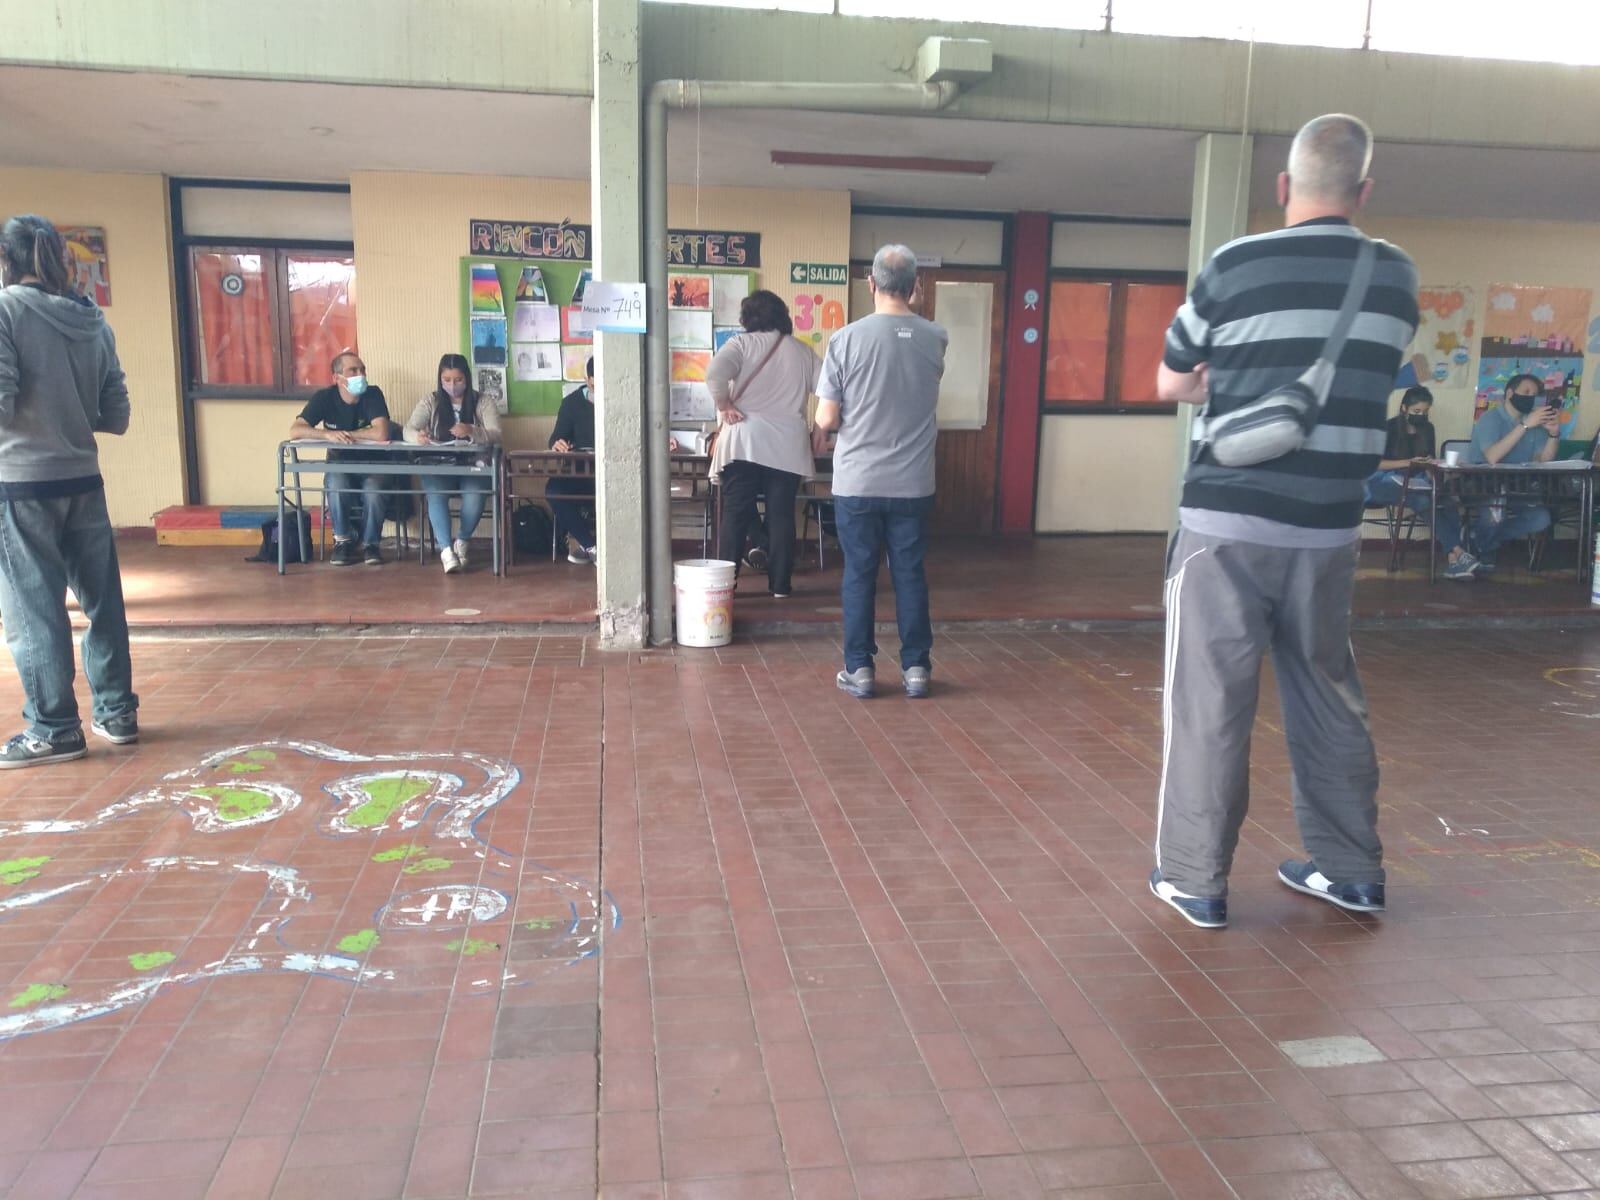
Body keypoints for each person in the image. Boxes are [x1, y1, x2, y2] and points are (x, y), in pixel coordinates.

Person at [1152, 114, 1420, 928]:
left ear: (1282, 187)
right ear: (1364, 190)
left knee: (1209, 701)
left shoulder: (1235, 264)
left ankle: (1196, 880)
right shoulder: (1395, 276)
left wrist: (1215, 387)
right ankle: (1350, 871)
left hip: (1226, 526)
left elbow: (1171, 380)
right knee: (1329, 695)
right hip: (1332, 529)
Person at [0, 214, 138, 766]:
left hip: (22, 484)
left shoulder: (6, 311)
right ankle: (117, 712)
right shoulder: (92, 320)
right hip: (84, 479)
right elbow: (117, 413)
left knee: (35, 611)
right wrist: (69, 412)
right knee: (103, 603)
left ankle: (55, 728)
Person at [813, 244, 947, 700]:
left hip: (858, 482)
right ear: (916, 287)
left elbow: (827, 418)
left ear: (870, 284)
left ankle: (860, 669)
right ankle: (916, 669)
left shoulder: (845, 339)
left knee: (859, 573)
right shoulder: (935, 337)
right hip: (913, 483)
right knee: (910, 572)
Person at [707, 290, 819, 598]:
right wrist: (821, 427)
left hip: (744, 439)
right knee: (782, 514)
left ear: (748, 318)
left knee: (735, 513)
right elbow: (830, 388)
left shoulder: (740, 344)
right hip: (788, 444)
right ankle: (780, 585)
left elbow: (714, 374)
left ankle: (724, 587)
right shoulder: (802, 351)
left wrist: (724, 404)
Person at [547, 358, 678, 565]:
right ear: (587, 380)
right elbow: (556, 437)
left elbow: (644, 431)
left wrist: (661, 439)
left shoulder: (626, 400)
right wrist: (557, 443)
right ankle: (592, 546)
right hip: (581, 474)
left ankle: (595, 548)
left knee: (643, 490)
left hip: (619, 473)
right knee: (554, 490)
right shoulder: (571, 403)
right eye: (595, 383)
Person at [289, 351, 392, 566]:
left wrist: (347, 436)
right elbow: (296, 430)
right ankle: (342, 541)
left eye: (362, 369)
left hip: (373, 464)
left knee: (375, 489)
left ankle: (370, 544)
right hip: (340, 463)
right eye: (353, 370)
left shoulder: (372, 394)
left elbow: (382, 433)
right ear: (336, 378)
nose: (360, 374)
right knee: (335, 482)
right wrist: (325, 435)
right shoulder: (324, 398)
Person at [1364, 386, 1477, 579]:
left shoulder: (1427, 428)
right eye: (1416, 411)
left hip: (1414, 482)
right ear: (1404, 408)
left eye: (1425, 412)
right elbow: (1374, 464)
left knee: (1445, 500)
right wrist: (1409, 462)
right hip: (1379, 482)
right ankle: (1459, 552)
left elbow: (1427, 461)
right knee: (1423, 501)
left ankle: (1454, 561)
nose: (1421, 416)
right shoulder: (1387, 428)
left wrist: (1437, 472)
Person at [404, 353, 500, 574]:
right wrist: (418, 437)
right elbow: (408, 428)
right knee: (435, 494)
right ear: (440, 379)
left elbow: (496, 434)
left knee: (475, 496)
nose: (452, 385)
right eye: (446, 380)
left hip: (473, 463)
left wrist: (472, 431)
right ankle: (446, 550)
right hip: (439, 462)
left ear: (466, 378)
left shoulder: (482, 401)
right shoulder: (431, 400)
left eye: (457, 380)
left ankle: (462, 541)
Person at [1465, 372, 1558, 573]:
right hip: (1484, 484)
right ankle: (1486, 546)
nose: (1530, 397)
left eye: (1534, 394)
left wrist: (1553, 433)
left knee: (1541, 518)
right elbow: (1492, 457)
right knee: (1495, 513)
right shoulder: (1490, 419)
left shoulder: (1532, 423)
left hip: (1518, 485)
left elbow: (1543, 460)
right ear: (1509, 393)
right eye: (1526, 391)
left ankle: (1477, 538)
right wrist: (1524, 426)